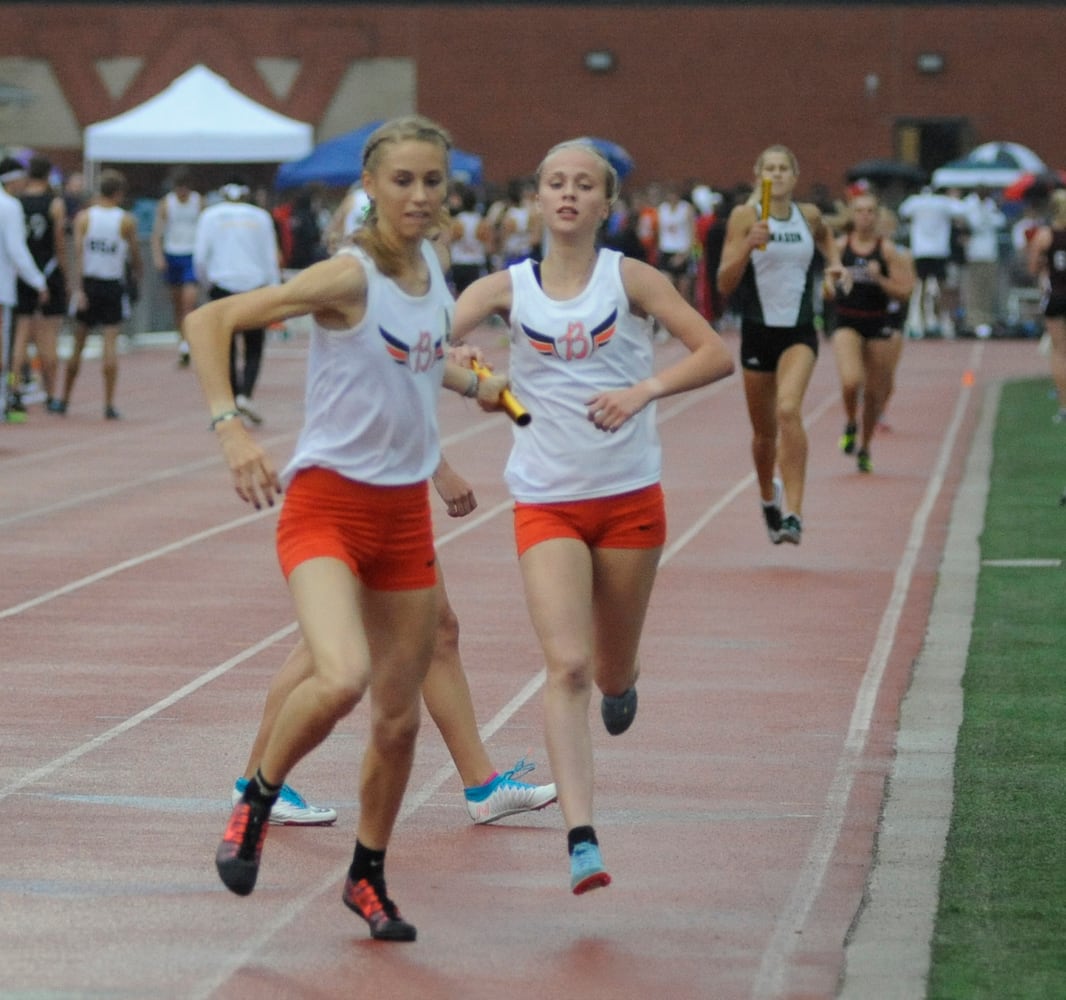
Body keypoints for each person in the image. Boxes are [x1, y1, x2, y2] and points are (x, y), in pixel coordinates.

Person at [185, 115, 513, 942]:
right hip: (327, 506)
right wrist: (230, 427)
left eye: (433, 182)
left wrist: (478, 388)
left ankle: (366, 877)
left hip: (402, 516)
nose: (420, 196)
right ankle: (256, 795)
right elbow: (208, 322)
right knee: (338, 678)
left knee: (398, 724)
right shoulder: (347, 274)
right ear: (370, 185)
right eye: (402, 180)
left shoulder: (435, 267)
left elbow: (416, 357)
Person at [451, 139, 734, 895]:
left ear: (608, 205)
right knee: (567, 664)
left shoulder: (630, 278)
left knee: (609, 669)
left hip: (630, 499)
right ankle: (582, 837)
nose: (568, 193)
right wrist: (468, 376)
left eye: (584, 184)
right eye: (555, 182)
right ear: (537, 201)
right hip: (545, 499)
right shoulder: (503, 290)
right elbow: (421, 348)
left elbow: (714, 353)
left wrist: (644, 391)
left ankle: (624, 681)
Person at [232, 456, 557, 827]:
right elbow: (386, 402)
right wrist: (441, 466)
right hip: (350, 490)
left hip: (394, 493)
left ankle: (483, 787)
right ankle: (255, 784)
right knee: (324, 645)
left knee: (438, 630)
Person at [717, 144, 847, 544]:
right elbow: (724, 282)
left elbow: (826, 237)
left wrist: (835, 264)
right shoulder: (745, 216)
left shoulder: (807, 215)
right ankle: (767, 497)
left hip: (799, 332)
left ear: (794, 175)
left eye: (783, 168)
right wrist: (747, 244)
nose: (776, 174)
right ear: (759, 175)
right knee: (763, 436)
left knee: (788, 409)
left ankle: (794, 513)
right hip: (758, 331)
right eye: (769, 169)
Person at [825, 190, 915, 473]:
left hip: (878, 323)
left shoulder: (887, 251)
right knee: (852, 381)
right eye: (860, 211)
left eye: (870, 211)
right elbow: (825, 291)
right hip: (847, 321)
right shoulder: (840, 247)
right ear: (851, 216)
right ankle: (851, 422)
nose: (865, 216)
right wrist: (839, 282)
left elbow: (905, 292)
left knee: (875, 393)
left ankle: (864, 446)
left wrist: (879, 279)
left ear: (877, 217)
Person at [193, 178, 281, 426]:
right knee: (254, 345)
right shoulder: (260, 217)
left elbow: (200, 257)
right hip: (255, 286)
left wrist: (206, 283)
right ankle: (246, 394)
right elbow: (270, 256)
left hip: (222, 286)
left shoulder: (210, 216)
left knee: (225, 347)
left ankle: (230, 402)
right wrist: (274, 291)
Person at [56, 169, 141, 419]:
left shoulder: (84, 217)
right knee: (110, 344)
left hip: (90, 284)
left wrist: (78, 288)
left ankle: (64, 398)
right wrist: (138, 272)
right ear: (118, 193)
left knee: (78, 344)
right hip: (112, 284)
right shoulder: (125, 220)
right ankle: (109, 403)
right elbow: (135, 253)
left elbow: (79, 253)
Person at [10, 156, 67, 416]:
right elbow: (59, 244)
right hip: (48, 270)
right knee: (48, 337)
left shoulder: (16, 203)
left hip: (21, 274)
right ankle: (51, 394)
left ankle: (15, 390)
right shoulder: (54, 204)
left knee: (20, 335)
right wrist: (66, 275)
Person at [0, 157, 48, 423]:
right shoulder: (9, 206)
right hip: (2, 290)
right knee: (2, 348)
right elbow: (17, 249)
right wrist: (38, 281)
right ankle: (3, 402)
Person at [898, 185, 969, 338]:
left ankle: (924, 321)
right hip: (938, 250)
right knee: (941, 287)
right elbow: (962, 210)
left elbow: (902, 211)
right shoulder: (943, 202)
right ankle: (940, 320)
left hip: (922, 250)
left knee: (922, 287)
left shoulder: (915, 202)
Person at [150, 166, 202, 367]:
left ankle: (188, 343)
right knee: (178, 304)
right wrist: (158, 257)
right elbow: (157, 233)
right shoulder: (167, 204)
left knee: (189, 301)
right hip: (173, 253)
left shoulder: (198, 202)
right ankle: (182, 341)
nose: (182, 194)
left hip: (191, 253)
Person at [1027, 188, 1066, 423]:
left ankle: (1064, 405)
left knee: (1060, 351)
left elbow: (1033, 267)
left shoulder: (1045, 235)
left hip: (1057, 296)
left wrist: (1043, 263)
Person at [961, 186, 1006, 337]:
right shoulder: (970, 204)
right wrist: (984, 212)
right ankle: (974, 321)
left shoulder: (990, 204)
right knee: (975, 290)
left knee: (988, 289)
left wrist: (990, 209)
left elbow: (1000, 221)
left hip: (990, 253)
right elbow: (976, 223)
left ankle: (987, 320)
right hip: (975, 253)